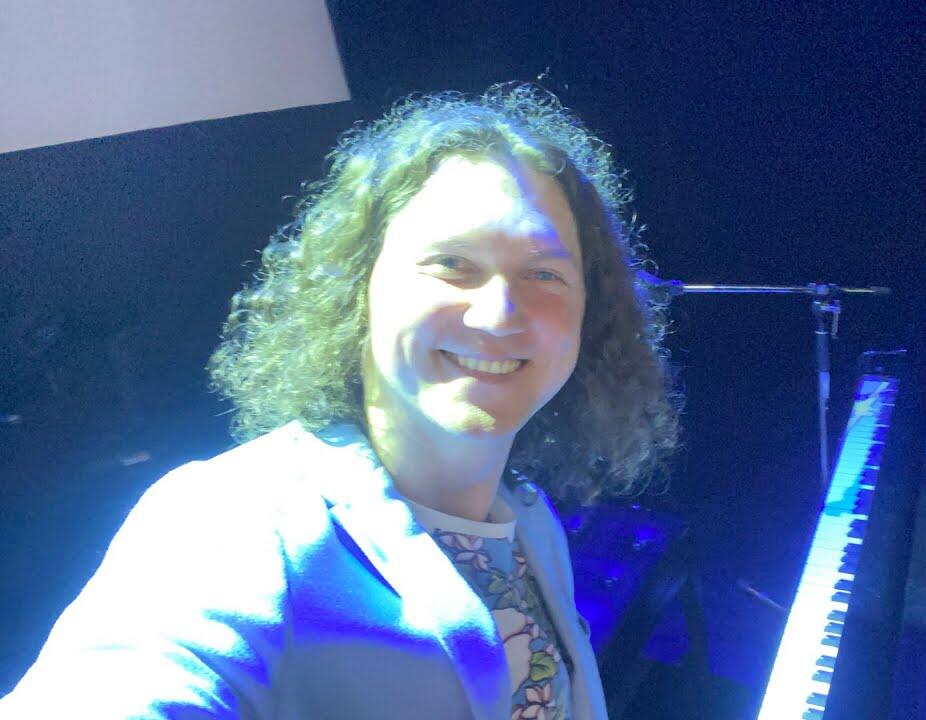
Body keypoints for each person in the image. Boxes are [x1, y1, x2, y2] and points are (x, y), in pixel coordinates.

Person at [0, 84, 682, 720]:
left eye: (544, 274)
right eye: (452, 264)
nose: (500, 313)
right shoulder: (236, 520)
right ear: (359, 288)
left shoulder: (528, 517)